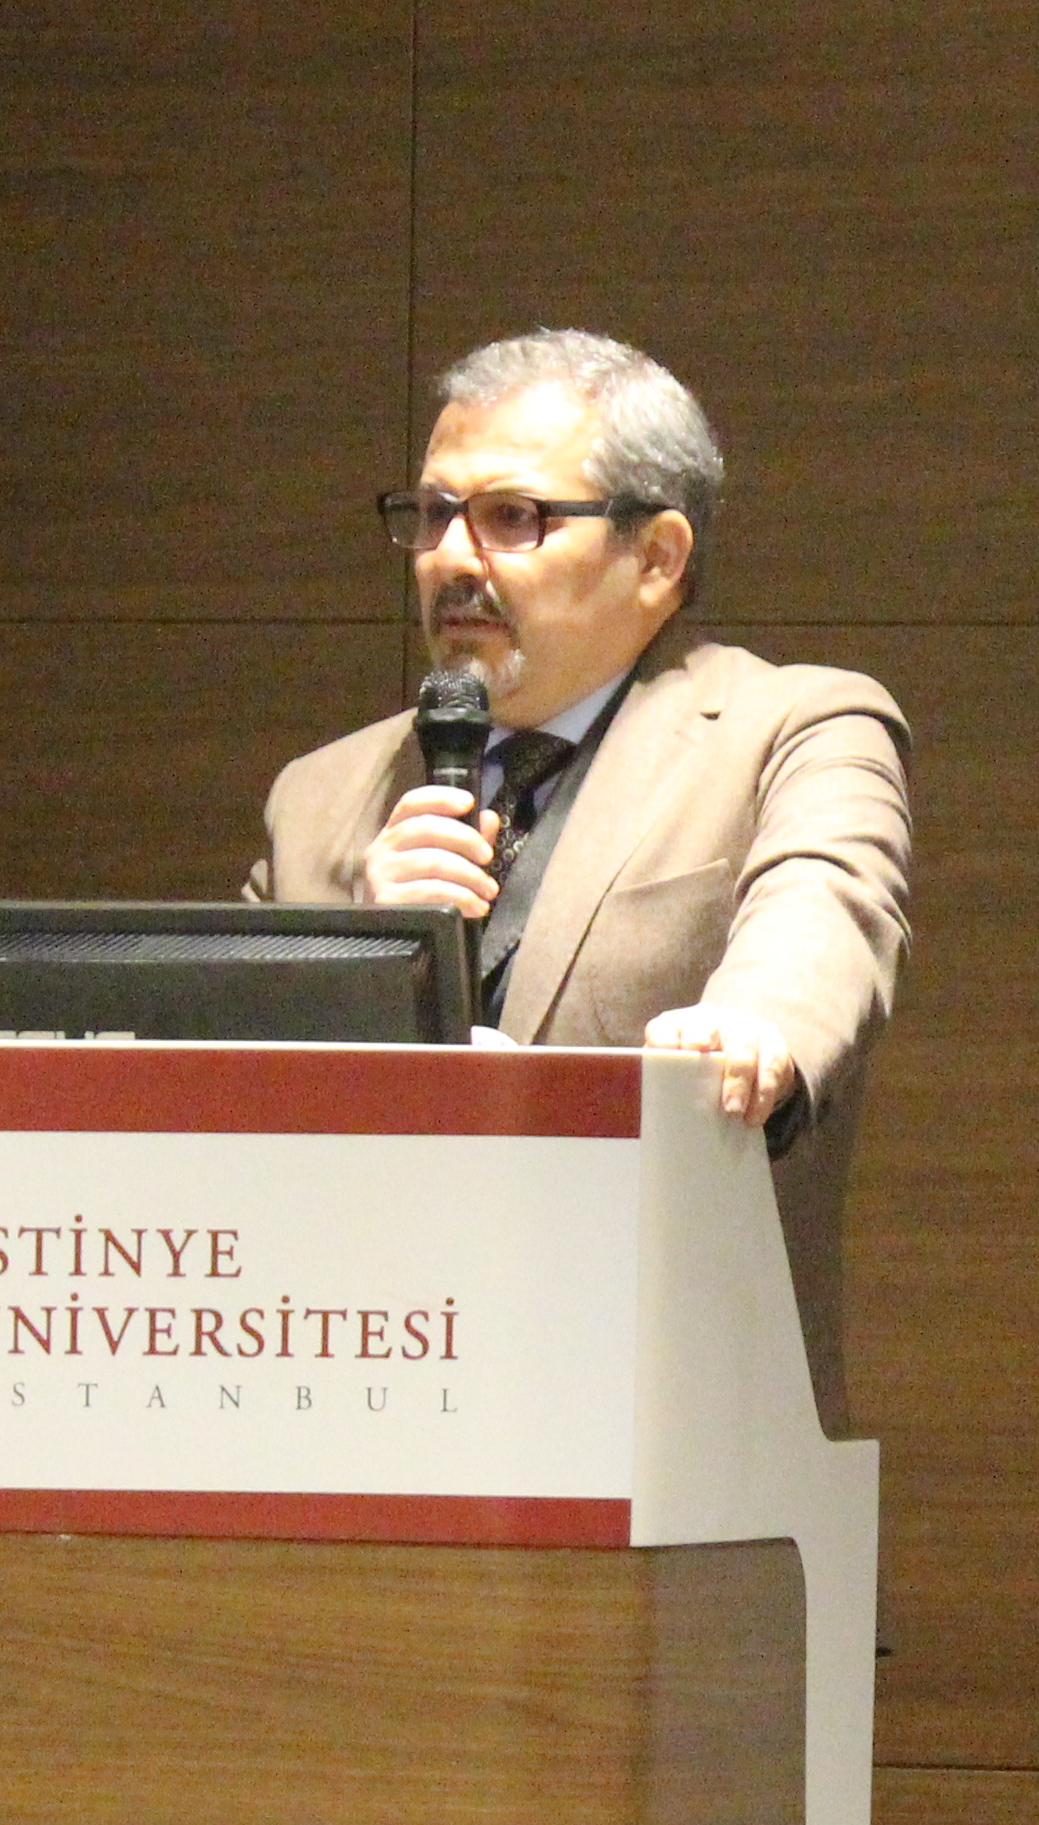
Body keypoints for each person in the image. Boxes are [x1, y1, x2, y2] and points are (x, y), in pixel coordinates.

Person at [249, 329, 909, 1406]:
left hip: (659, 1414)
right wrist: (358, 961)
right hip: (348, 1398)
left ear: (658, 557)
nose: (453, 558)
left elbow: (825, 907)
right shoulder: (321, 796)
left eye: (513, 517)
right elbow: (223, 1100)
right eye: (434, 514)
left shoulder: (793, 729)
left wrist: (754, 1030)